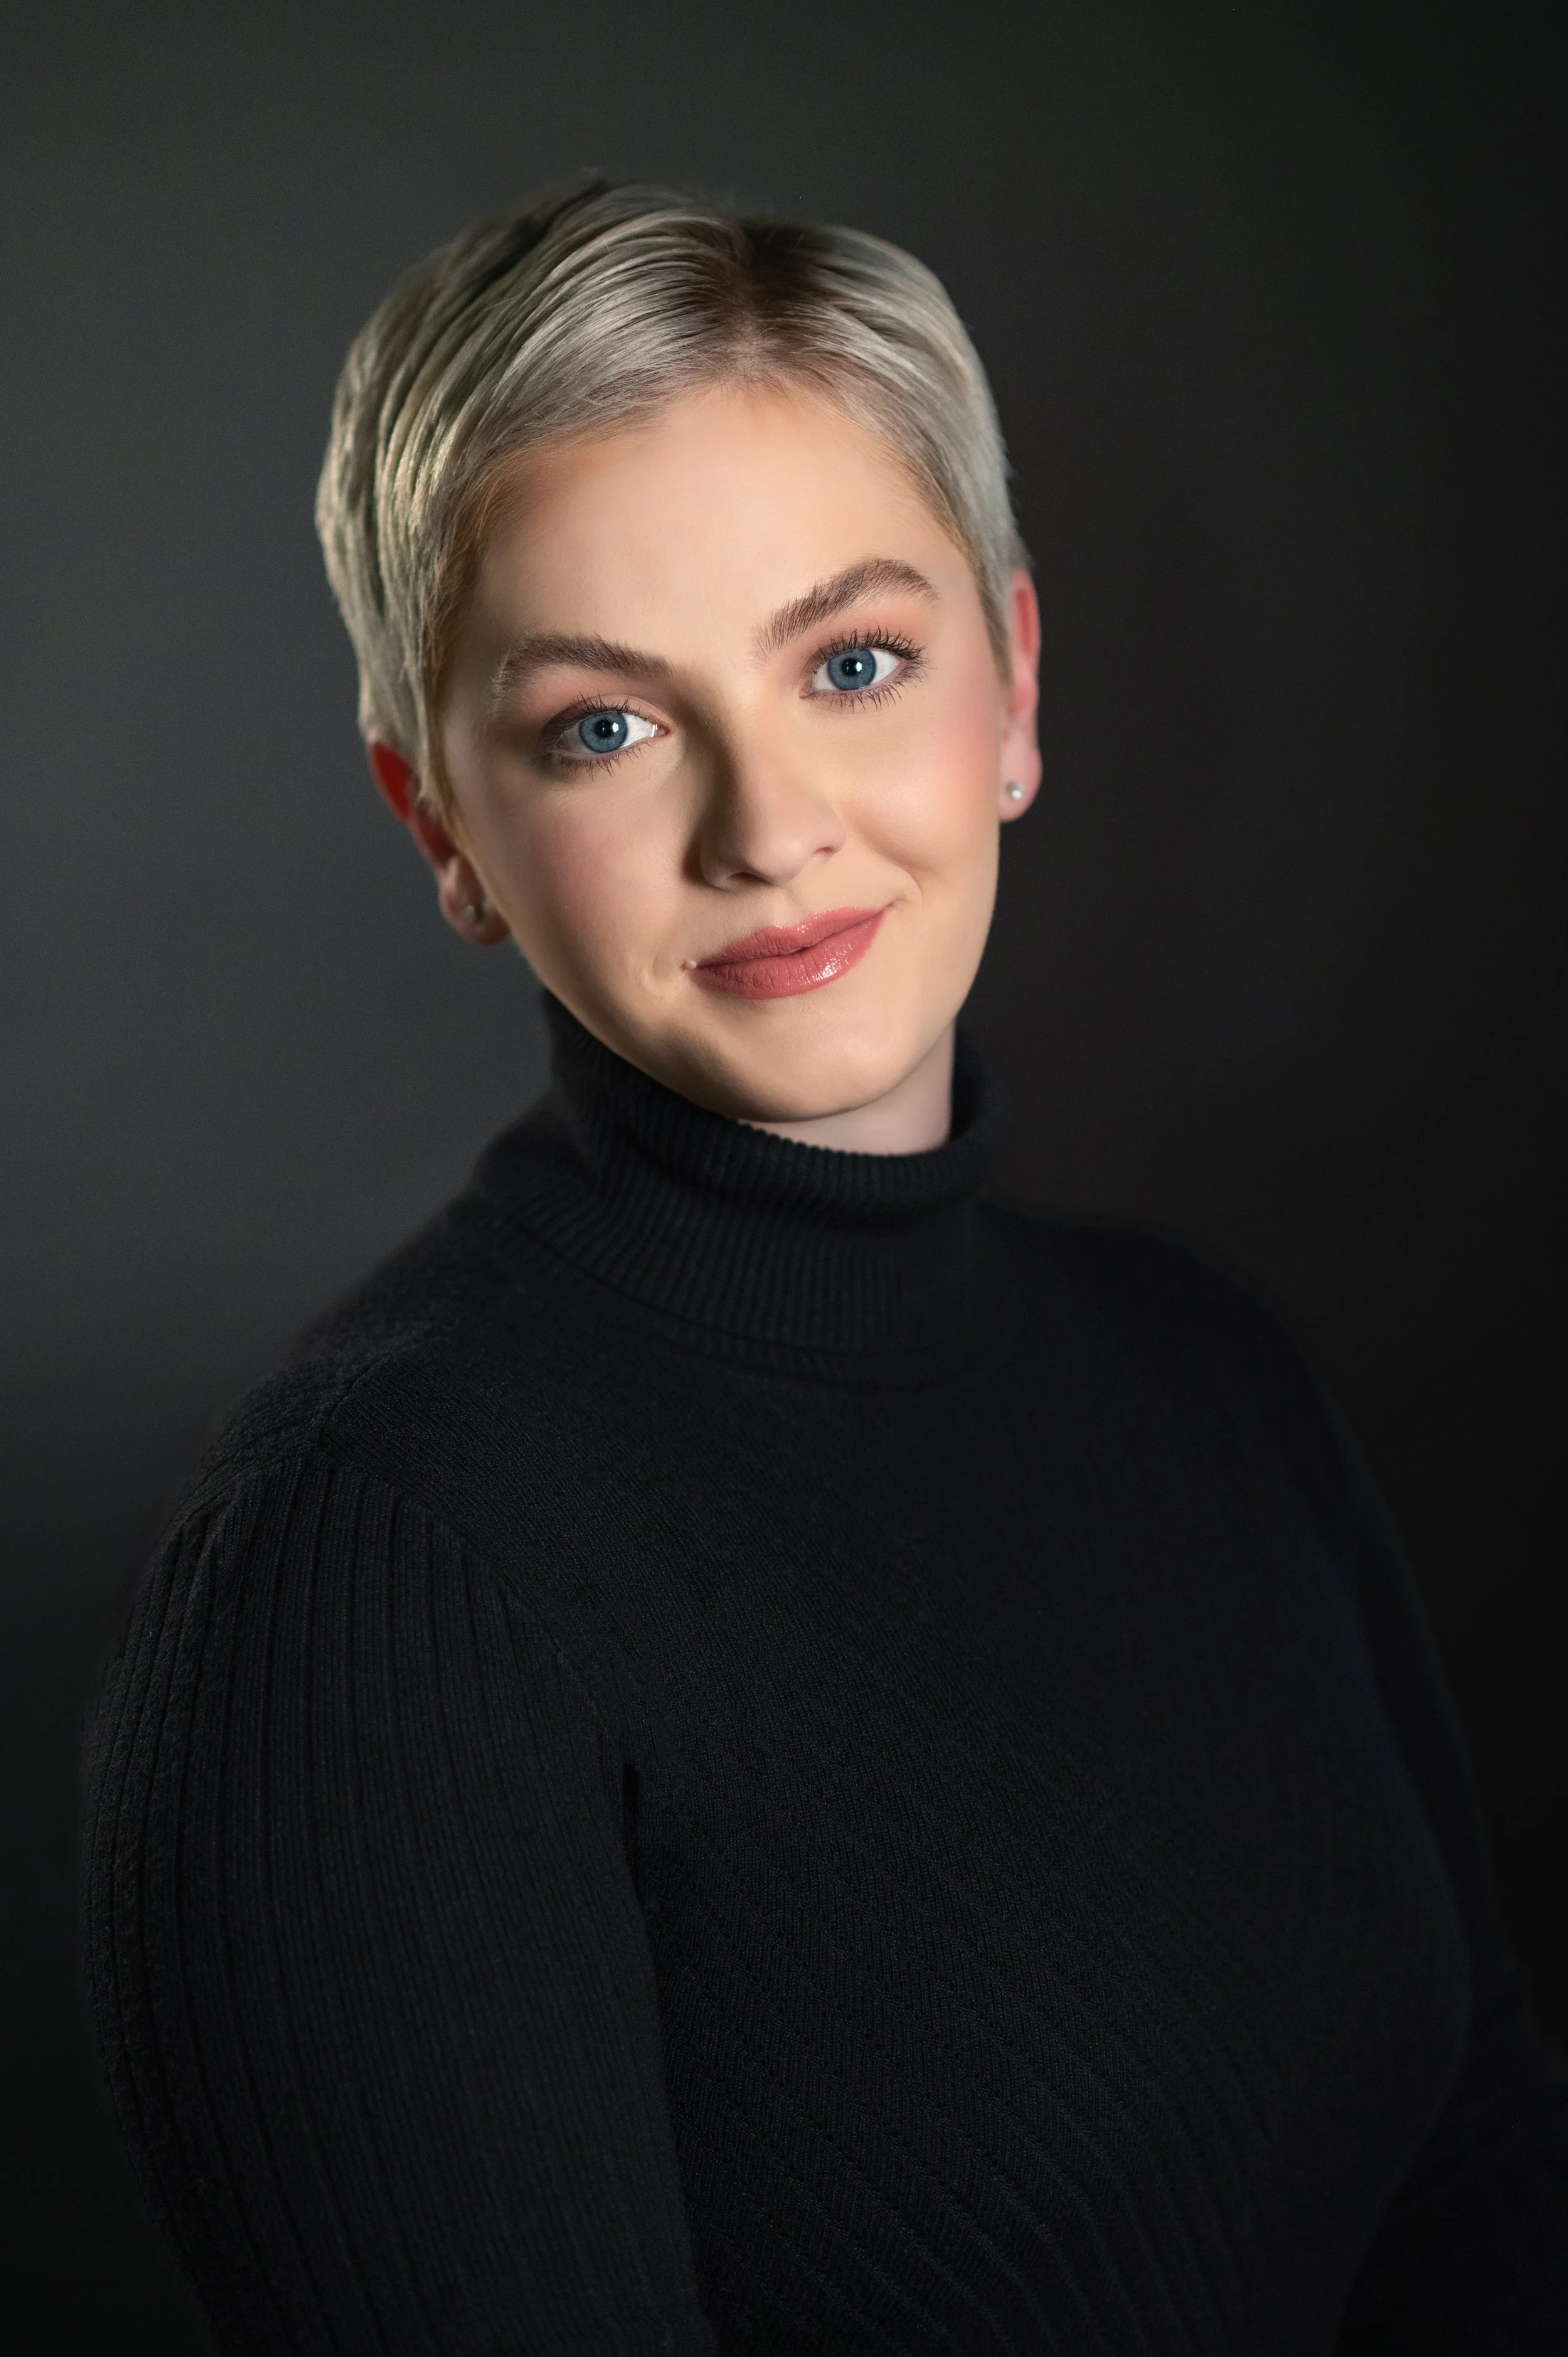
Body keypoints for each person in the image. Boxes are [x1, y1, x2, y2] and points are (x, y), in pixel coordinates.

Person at [81, 177, 1567, 2354]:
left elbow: (1473, 2176)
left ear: (1017, 684)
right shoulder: (356, 1591)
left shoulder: (1209, 1375)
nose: (767, 826)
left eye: (853, 661)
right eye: (605, 721)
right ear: (442, 829)